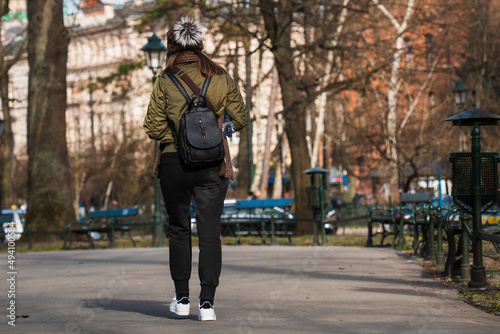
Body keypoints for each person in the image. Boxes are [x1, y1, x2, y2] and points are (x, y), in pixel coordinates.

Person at [143, 16, 247, 321]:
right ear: (200, 45)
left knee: (178, 229)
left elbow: (152, 126)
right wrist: (214, 130)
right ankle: (207, 305)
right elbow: (239, 118)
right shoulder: (222, 77)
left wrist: (177, 139)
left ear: (172, 47)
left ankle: (182, 298)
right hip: (214, 163)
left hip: (175, 164)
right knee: (210, 231)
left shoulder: (164, 80)